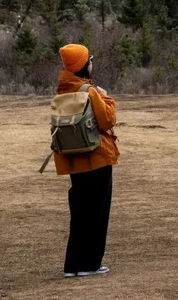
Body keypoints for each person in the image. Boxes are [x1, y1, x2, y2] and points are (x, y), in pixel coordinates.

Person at [56, 44, 119, 278]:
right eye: (89, 60)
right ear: (83, 65)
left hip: (74, 160)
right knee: (98, 213)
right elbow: (108, 120)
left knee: (80, 212)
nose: (92, 63)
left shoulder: (62, 91)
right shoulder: (91, 92)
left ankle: (73, 265)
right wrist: (106, 97)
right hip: (97, 157)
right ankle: (91, 264)